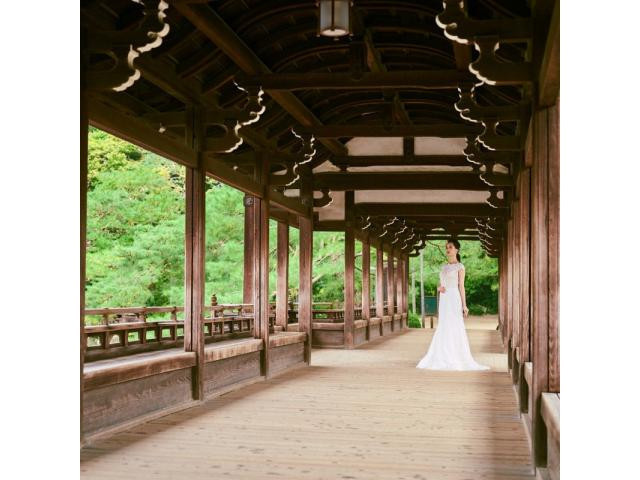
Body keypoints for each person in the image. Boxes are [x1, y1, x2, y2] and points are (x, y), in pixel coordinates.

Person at [416, 239, 490, 371]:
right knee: (444, 325)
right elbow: (441, 284)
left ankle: (456, 356)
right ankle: (442, 354)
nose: (448, 249)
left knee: (454, 324)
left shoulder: (460, 267)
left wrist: (464, 305)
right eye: (446, 247)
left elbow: (461, 286)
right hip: (444, 299)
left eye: (450, 247)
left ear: (456, 250)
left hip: (454, 298)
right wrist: (439, 288)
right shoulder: (443, 267)